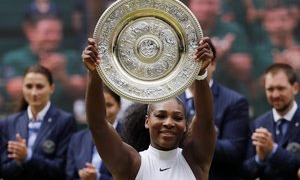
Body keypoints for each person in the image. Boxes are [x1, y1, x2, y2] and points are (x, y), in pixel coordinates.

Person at [81, 36, 216, 179]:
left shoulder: (195, 161)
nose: (169, 123)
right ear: (147, 121)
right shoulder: (131, 164)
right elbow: (98, 125)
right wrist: (94, 74)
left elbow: (205, 120)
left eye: (177, 117)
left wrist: (200, 73)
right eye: (160, 115)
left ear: (185, 125)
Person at [179, 47, 250, 179]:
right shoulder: (170, 100)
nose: (194, 67)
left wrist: (198, 137)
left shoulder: (234, 102)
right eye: (189, 62)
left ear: (212, 64)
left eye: (200, 61)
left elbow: (234, 151)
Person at [0, 64, 77, 180]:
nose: (34, 93)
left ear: (52, 88)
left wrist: (28, 157)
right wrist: (20, 161)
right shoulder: (8, 123)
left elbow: (62, 170)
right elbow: (3, 170)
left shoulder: (65, 121)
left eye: (39, 87)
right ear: (22, 88)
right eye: (29, 86)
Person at [1, 14, 86, 114]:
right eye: (48, 32)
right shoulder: (14, 58)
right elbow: (14, 92)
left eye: (58, 32)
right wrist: (44, 70)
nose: (54, 37)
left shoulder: (70, 57)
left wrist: (63, 78)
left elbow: (86, 91)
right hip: (26, 121)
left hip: (64, 122)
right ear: (30, 32)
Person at [242, 63, 300, 180]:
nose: (275, 95)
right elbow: (246, 171)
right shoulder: (258, 124)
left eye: (280, 88)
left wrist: (273, 150)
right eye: (270, 89)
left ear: (295, 88)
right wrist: (260, 158)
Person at [66, 85, 123, 180]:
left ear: (119, 106)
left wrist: (98, 177)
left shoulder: (130, 136)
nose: (103, 111)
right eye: (99, 105)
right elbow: (69, 175)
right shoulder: (77, 138)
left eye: (109, 105)